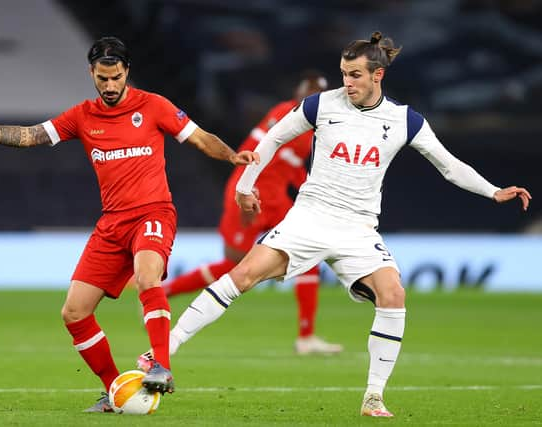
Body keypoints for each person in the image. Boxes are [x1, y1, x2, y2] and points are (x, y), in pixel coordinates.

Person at [163, 32, 532, 417]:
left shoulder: (406, 120)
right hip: (309, 217)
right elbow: (271, 139)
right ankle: (163, 350)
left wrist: (493, 192)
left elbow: (449, 165)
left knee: (393, 294)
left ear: (378, 76)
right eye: (343, 73)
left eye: (355, 75)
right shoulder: (320, 105)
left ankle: (373, 396)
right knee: (242, 276)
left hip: (358, 230)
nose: (347, 82)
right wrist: (245, 185)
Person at [0, 36, 258, 412]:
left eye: (115, 77)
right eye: (102, 78)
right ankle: (115, 391)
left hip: (153, 213)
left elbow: (199, 138)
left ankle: (162, 364)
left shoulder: (154, 105)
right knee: (74, 312)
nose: (109, 86)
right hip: (112, 224)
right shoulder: (82, 115)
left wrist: (231, 156)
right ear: (92, 74)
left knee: (147, 276)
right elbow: (31, 136)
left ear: (127, 72)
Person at [162, 70, 342, 355]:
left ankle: (306, 337)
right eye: (307, 93)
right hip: (248, 192)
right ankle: (167, 292)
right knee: (235, 265)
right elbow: (259, 149)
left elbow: (292, 166)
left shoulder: (316, 130)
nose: (310, 99)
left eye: (316, 95)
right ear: (298, 94)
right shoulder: (285, 113)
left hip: (277, 200)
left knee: (307, 255)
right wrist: (247, 188)